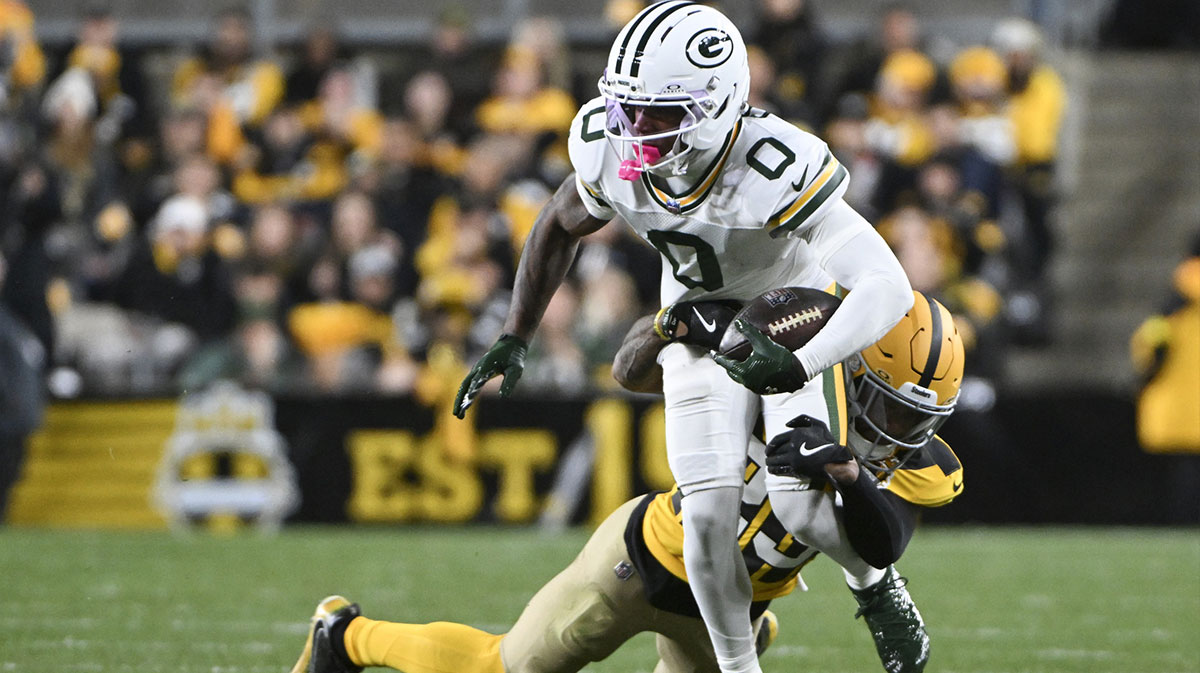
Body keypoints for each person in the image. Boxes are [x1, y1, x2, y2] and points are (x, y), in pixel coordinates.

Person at [452, 5, 913, 672]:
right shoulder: (607, 146)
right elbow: (557, 221)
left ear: (719, 103)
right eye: (628, 109)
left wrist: (803, 360)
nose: (634, 130)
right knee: (705, 515)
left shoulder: (772, 164)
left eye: (658, 113)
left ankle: (874, 583)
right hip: (697, 318)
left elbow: (888, 284)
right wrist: (515, 333)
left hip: (791, 316)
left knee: (802, 507)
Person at [289, 291, 965, 673]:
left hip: (731, 606)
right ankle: (345, 636)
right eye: (895, 408)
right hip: (645, 561)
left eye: (920, 417)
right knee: (502, 668)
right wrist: (678, 325)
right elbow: (634, 370)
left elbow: (883, 542)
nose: (902, 431)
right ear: (851, 366)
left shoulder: (917, 465)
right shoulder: (786, 372)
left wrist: (847, 471)